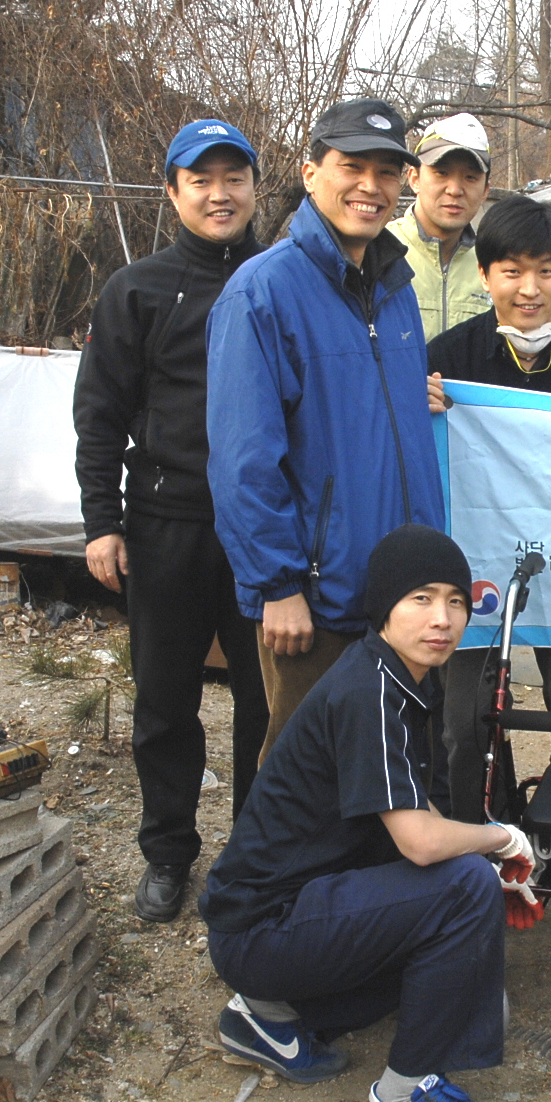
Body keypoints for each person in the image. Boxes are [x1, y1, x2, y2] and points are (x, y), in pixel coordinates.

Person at [199, 525, 532, 1102]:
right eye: (422, 599)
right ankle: (406, 1096)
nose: (443, 619)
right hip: (263, 929)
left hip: (280, 915)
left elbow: (413, 800)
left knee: (455, 926)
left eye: (456, 602)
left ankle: (265, 1019)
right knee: (464, 889)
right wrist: (502, 840)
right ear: (383, 608)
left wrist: (479, 848)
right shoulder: (371, 691)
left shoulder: (398, 674)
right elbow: (421, 843)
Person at [73, 118, 272, 923]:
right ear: (173, 192)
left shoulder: (279, 280)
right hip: (165, 525)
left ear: (257, 188)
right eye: (202, 180)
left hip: (262, 529)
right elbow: (100, 415)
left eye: (234, 178)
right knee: (164, 699)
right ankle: (167, 853)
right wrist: (102, 522)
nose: (220, 194)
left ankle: (258, 856)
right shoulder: (137, 290)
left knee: (268, 700)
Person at [207, 98, 448, 762]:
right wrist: (277, 585)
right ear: (312, 172)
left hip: (401, 595)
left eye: (387, 171)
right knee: (306, 780)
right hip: (318, 599)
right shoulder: (263, 292)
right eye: (353, 167)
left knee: (398, 774)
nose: (371, 187)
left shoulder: (396, 291)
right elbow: (241, 459)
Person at [423, 196, 551, 816]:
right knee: (464, 723)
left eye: (545, 270)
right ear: (485, 275)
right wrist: (419, 408)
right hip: (477, 564)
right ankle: (482, 839)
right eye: (511, 270)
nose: (529, 288)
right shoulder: (448, 357)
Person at [392, 113, 494, 340]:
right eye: (442, 173)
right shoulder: (379, 252)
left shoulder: (495, 264)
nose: (455, 189)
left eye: (470, 177)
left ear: (486, 190)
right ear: (414, 178)